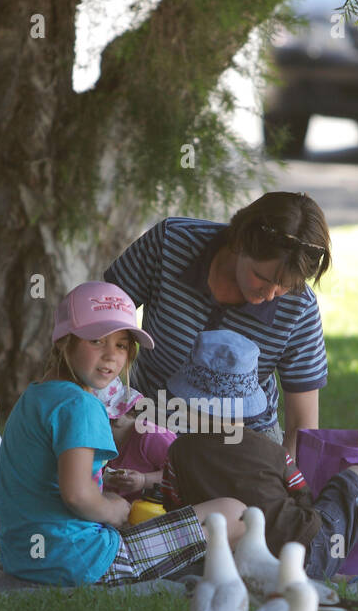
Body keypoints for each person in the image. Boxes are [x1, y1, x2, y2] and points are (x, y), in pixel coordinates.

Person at [160, 331, 358, 587]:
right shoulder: (270, 449)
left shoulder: (178, 452)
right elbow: (300, 493)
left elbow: (177, 506)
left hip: (240, 565)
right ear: (247, 403)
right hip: (309, 551)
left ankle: (348, 576)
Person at [0, 282, 245, 587]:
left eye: (122, 345)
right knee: (235, 513)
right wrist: (113, 510)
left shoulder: (34, 396)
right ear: (63, 341)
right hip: (82, 561)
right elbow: (76, 495)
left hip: (22, 558)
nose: (111, 356)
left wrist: (105, 495)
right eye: (97, 340)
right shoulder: (81, 406)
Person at [104, 191, 331, 457]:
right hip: (151, 419)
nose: (269, 295)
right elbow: (99, 321)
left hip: (242, 437)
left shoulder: (299, 307)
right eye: (261, 276)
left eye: (286, 285)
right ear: (239, 242)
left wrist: (288, 485)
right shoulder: (170, 244)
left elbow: (302, 429)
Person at [92, 377, 176, 502]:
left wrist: (144, 480)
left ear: (115, 419)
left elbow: (181, 473)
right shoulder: (97, 446)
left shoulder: (150, 436)